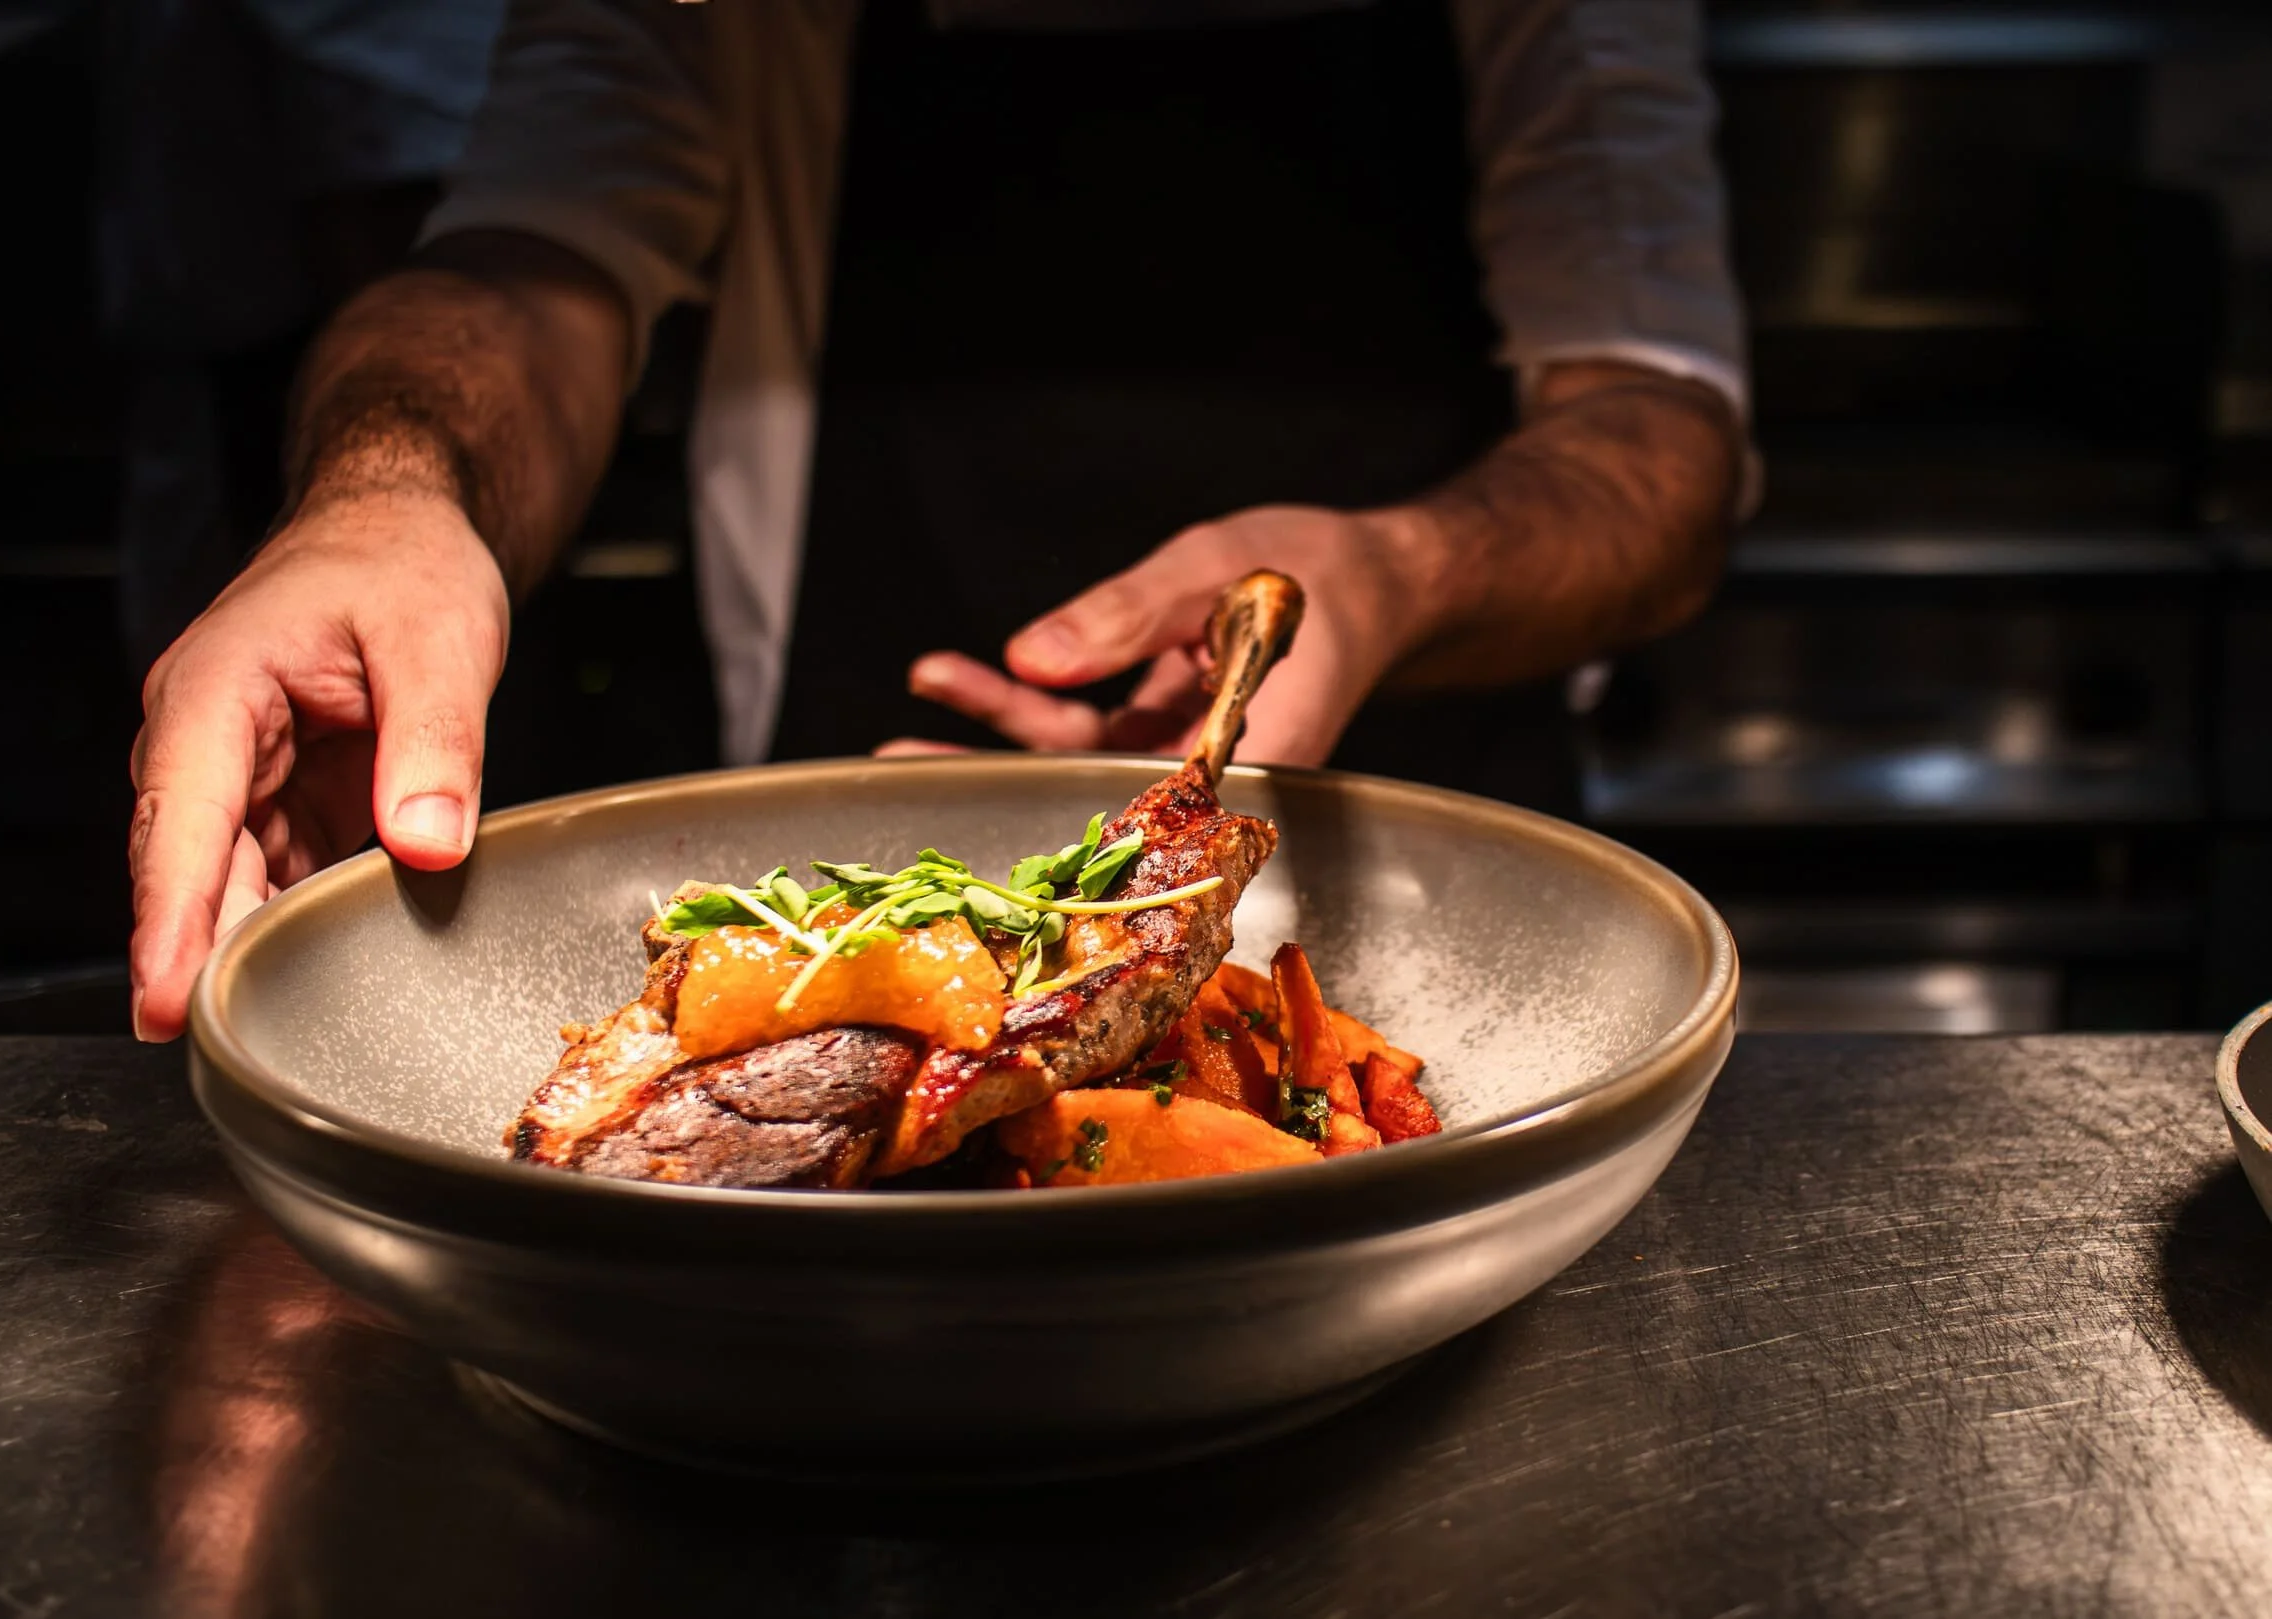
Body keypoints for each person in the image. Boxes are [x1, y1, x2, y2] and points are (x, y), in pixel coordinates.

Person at [127, 0, 1751, 1042]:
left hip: (1437, 927)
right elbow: (523, 275)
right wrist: (386, 495)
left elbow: (1657, 437)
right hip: (833, 851)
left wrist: (1398, 572)